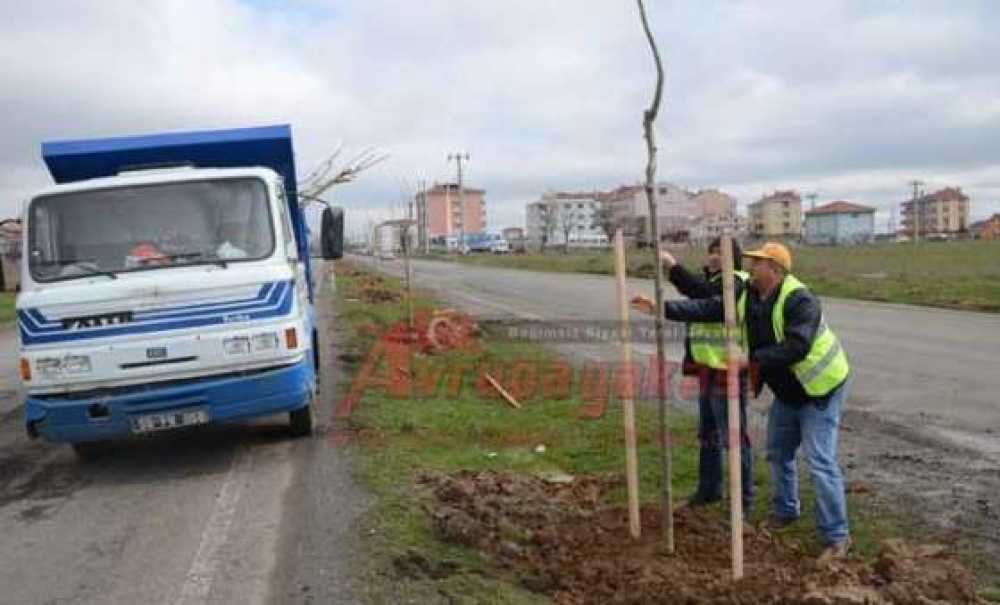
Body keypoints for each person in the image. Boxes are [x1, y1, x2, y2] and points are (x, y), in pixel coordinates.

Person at [643, 242, 852, 560]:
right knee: (778, 452)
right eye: (752, 262)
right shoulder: (748, 295)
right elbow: (708, 307)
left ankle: (837, 537)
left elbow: (798, 346)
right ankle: (785, 510)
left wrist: (750, 360)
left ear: (775, 270)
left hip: (820, 389)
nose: (751, 267)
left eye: (758, 263)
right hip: (788, 392)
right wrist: (662, 309)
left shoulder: (800, 299)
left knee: (819, 462)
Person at [632, 237, 754, 514]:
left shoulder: (735, 282)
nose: (714, 257)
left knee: (733, 438)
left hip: (728, 372)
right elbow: (697, 290)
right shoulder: (713, 282)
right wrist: (672, 267)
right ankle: (709, 490)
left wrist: (662, 307)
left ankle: (743, 503)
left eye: (721, 253)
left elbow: (709, 306)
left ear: (734, 257)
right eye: (712, 252)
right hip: (707, 369)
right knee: (708, 434)